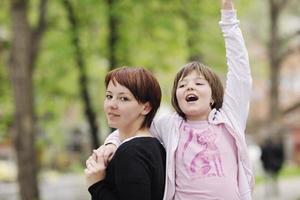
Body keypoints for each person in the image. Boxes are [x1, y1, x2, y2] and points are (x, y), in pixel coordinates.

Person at [99, 0, 254, 199]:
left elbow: (240, 73)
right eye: (182, 85)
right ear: (177, 98)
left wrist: (229, 20)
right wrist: (111, 145)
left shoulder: (230, 119)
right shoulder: (169, 125)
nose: (189, 86)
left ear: (214, 96)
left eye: (199, 83)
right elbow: (132, 128)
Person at [84, 67, 166, 200]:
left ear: (146, 107)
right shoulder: (155, 145)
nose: (112, 105)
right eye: (109, 96)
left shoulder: (131, 152)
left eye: (124, 99)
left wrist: (96, 185)